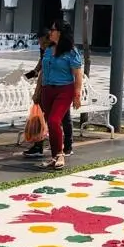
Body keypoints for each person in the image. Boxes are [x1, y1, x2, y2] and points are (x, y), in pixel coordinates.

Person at [36, 20, 82, 170]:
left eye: (53, 30)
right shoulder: (48, 50)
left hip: (64, 90)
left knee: (55, 120)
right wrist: (38, 91)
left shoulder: (71, 51)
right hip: (47, 90)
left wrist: (77, 95)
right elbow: (43, 71)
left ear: (61, 33)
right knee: (50, 122)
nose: (50, 32)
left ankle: (61, 154)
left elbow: (77, 74)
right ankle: (54, 156)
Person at [23, 29, 73, 159]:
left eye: (41, 41)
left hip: (61, 88)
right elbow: (41, 66)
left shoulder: (62, 50)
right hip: (49, 89)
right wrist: (34, 72)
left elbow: (74, 71)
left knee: (61, 119)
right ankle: (45, 147)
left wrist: (75, 92)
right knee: (50, 119)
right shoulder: (47, 51)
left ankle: (66, 147)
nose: (40, 45)